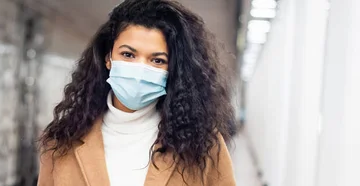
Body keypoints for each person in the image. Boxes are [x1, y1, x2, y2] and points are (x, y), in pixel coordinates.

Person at [37, 0, 236, 185]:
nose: (140, 69)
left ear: (172, 70)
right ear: (108, 58)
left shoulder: (203, 146)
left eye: (157, 60)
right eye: (128, 54)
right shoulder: (61, 143)